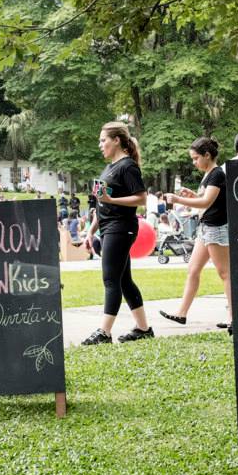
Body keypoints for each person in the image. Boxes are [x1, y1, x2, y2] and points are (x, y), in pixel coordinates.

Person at [81, 121, 153, 345]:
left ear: (116, 140)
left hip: (121, 227)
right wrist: (90, 231)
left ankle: (104, 332)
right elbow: (101, 204)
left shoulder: (127, 166)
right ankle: (143, 329)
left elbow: (141, 199)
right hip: (108, 227)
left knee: (110, 279)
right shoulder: (109, 168)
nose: (100, 145)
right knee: (124, 281)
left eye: (103, 140)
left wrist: (112, 200)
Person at [159, 137, 232, 331]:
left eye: (195, 158)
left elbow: (207, 202)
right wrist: (193, 195)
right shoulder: (209, 174)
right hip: (206, 228)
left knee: (225, 273)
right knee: (193, 269)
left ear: (207, 155)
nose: (194, 162)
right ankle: (181, 313)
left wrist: (178, 199)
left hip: (216, 229)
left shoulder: (216, 174)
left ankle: (234, 316)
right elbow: (207, 200)